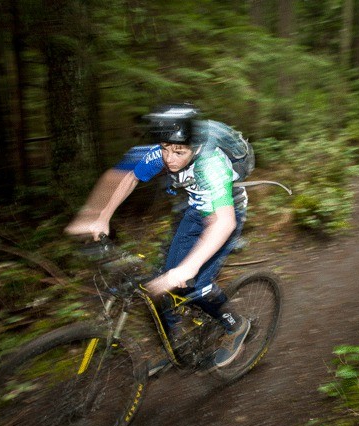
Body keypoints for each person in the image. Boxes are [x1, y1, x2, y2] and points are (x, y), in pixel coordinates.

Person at [66, 103, 252, 370]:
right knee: (165, 278)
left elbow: (222, 222)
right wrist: (102, 216)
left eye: (179, 151)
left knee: (192, 282)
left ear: (196, 146)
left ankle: (235, 325)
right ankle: (175, 343)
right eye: (165, 148)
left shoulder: (210, 165)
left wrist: (186, 268)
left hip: (227, 209)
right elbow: (127, 175)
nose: (170, 158)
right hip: (196, 207)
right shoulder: (163, 153)